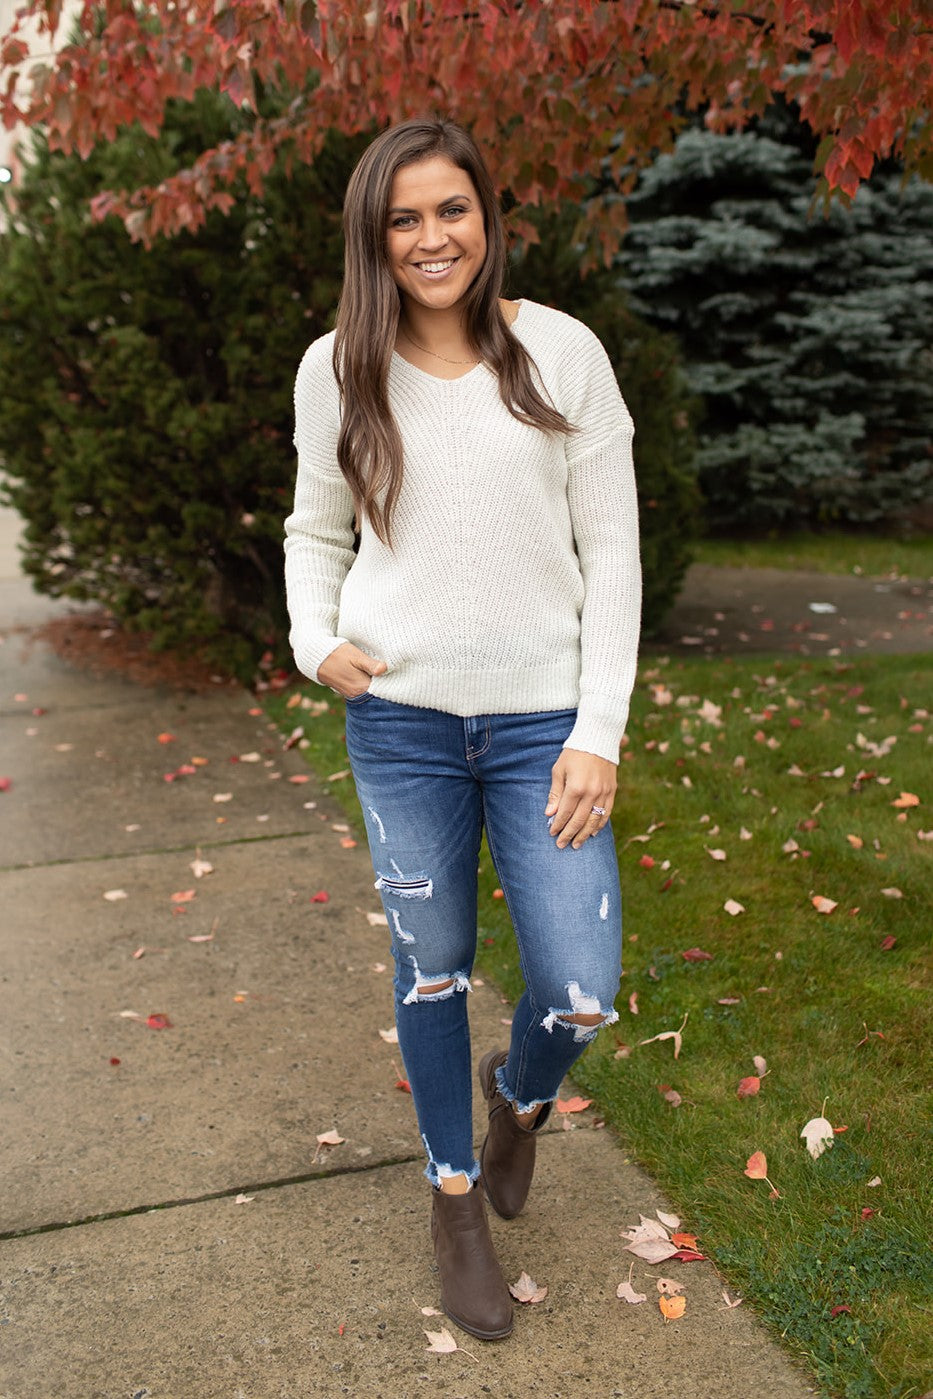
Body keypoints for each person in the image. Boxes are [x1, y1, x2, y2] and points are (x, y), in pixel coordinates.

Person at [284, 117, 640, 1342]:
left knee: (581, 989)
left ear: (487, 218)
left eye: (453, 210)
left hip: (546, 724)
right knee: (432, 963)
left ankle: (516, 1098)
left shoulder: (563, 353)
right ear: (373, 236)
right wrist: (313, 638)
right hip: (402, 724)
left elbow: (615, 552)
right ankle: (455, 1204)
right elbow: (315, 530)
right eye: (404, 218)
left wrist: (599, 728)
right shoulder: (338, 367)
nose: (432, 238)